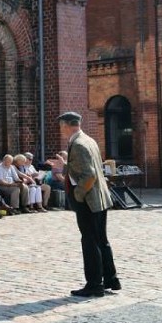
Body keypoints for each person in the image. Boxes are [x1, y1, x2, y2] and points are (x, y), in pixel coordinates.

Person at [48, 111, 120, 298]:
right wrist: (65, 165)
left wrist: (78, 195)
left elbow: (89, 175)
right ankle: (110, 279)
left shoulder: (78, 144)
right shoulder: (88, 139)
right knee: (101, 239)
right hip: (99, 197)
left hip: (88, 199)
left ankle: (95, 284)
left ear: (66, 125)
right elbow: (85, 168)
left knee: (89, 241)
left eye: (61, 126)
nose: (60, 130)